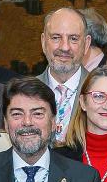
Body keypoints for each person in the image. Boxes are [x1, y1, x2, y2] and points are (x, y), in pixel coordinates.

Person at [37, 7, 91, 140]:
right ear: (44, 42)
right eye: (56, 37)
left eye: (73, 39)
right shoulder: (23, 93)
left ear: (86, 44)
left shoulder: (104, 93)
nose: (64, 47)